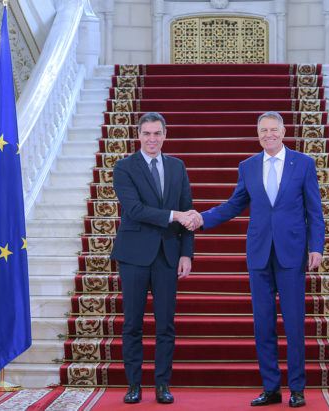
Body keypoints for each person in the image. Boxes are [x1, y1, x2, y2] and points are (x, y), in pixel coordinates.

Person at [185, 111, 324, 408]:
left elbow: (315, 210)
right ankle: (271, 388)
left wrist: (316, 247)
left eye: (273, 129)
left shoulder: (303, 163)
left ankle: (297, 388)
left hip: (292, 253)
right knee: (263, 324)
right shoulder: (247, 166)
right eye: (263, 130)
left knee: (294, 324)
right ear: (258, 134)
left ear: (283, 132)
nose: (268, 134)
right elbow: (234, 204)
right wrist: (203, 218)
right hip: (259, 253)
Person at [110, 112, 195, 404]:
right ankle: (134, 385)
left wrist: (186, 253)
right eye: (146, 133)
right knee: (132, 323)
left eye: (157, 133)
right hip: (133, 255)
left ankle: (162, 385)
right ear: (138, 135)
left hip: (168, 255)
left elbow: (187, 210)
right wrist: (174, 215)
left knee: (165, 325)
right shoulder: (123, 167)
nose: (152, 139)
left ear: (165, 135)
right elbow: (134, 210)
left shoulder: (177, 166)